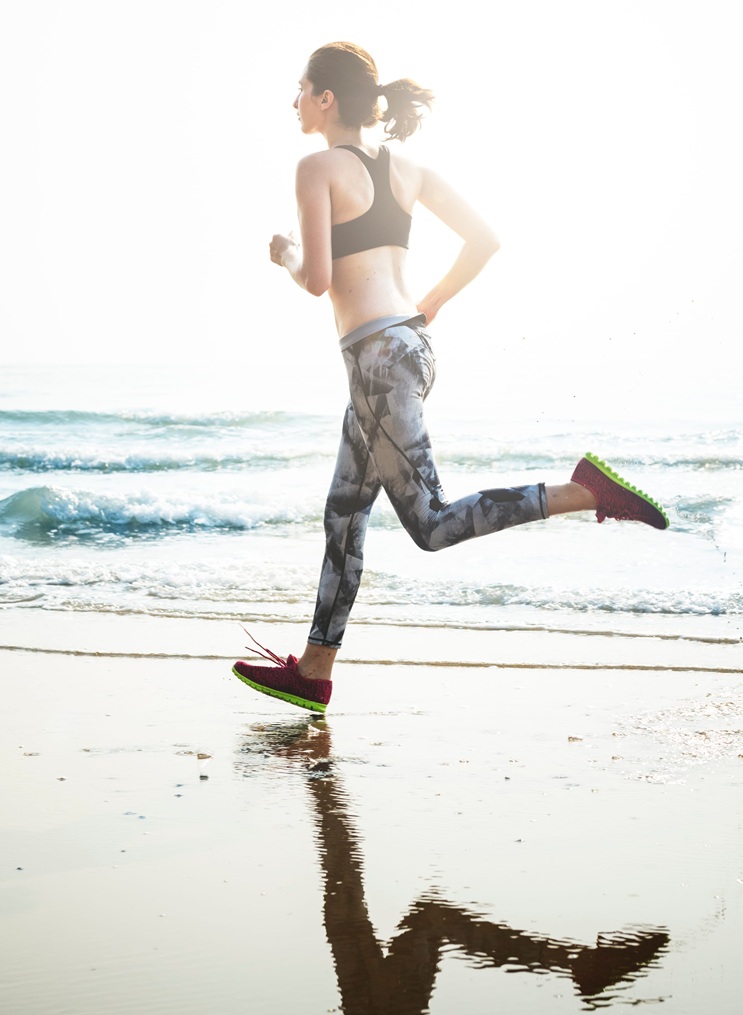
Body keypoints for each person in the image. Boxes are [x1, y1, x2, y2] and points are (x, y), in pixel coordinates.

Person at [233, 42, 668, 715]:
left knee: (429, 524)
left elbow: (317, 280)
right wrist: (429, 303)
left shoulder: (314, 167)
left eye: (300, 88)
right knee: (344, 512)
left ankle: (583, 491)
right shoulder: (408, 168)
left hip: (376, 359)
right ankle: (314, 671)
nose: (292, 101)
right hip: (401, 350)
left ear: (325, 99)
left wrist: (287, 253)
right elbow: (484, 238)